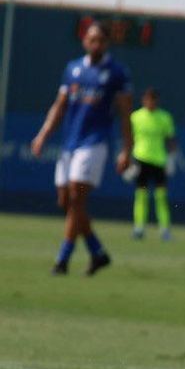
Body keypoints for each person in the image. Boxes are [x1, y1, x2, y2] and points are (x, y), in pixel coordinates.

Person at [30, 21, 133, 275]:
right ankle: (97, 252)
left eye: (100, 40)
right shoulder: (73, 69)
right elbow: (60, 105)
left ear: (107, 43)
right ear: (84, 41)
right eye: (91, 39)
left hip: (94, 142)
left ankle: (62, 260)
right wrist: (43, 134)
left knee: (77, 196)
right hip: (70, 142)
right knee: (66, 202)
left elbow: (125, 114)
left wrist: (126, 150)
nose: (95, 43)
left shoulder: (116, 73)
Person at [128, 87, 177, 240]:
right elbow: (129, 139)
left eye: (153, 99)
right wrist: (129, 160)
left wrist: (171, 159)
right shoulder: (135, 117)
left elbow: (170, 140)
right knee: (141, 195)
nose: (151, 102)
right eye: (148, 99)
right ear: (144, 100)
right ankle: (139, 228)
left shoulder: (165, 117)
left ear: (157, 101)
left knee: (161, 196)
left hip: (159, 162)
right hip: (141, 160)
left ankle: (164, 229)